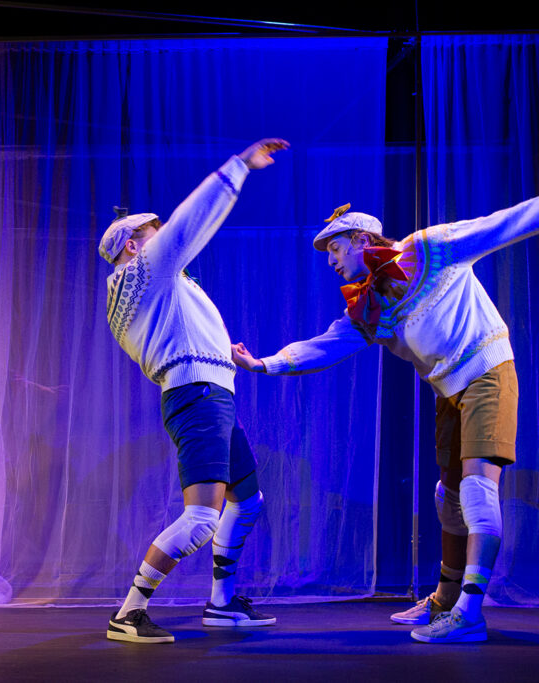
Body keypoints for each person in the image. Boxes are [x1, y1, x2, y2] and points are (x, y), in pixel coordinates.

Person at [232, 198, 539, 643]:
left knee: (476, 489)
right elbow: (326, 345)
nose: (331, 261)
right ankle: (445, 600)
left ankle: (470, 612)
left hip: (487, 371)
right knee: (449, 497)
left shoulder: (431, 248)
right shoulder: (370, 305)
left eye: (335, 249)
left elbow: (505, 223)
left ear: (362, 240)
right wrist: (264, 364)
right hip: (448, 392)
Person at [100, 138, 289, 644]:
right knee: (203, 518)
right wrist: (239, 167)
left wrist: (219, 349)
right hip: (199, 396)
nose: (164, 237)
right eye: (153, 233)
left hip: (210, 394)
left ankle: (222, 603)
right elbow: (190, 223)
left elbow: (176, 333)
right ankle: (129, 611)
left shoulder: (147, 288)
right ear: (133, 246)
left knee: (246, 500)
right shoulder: (141, 274)